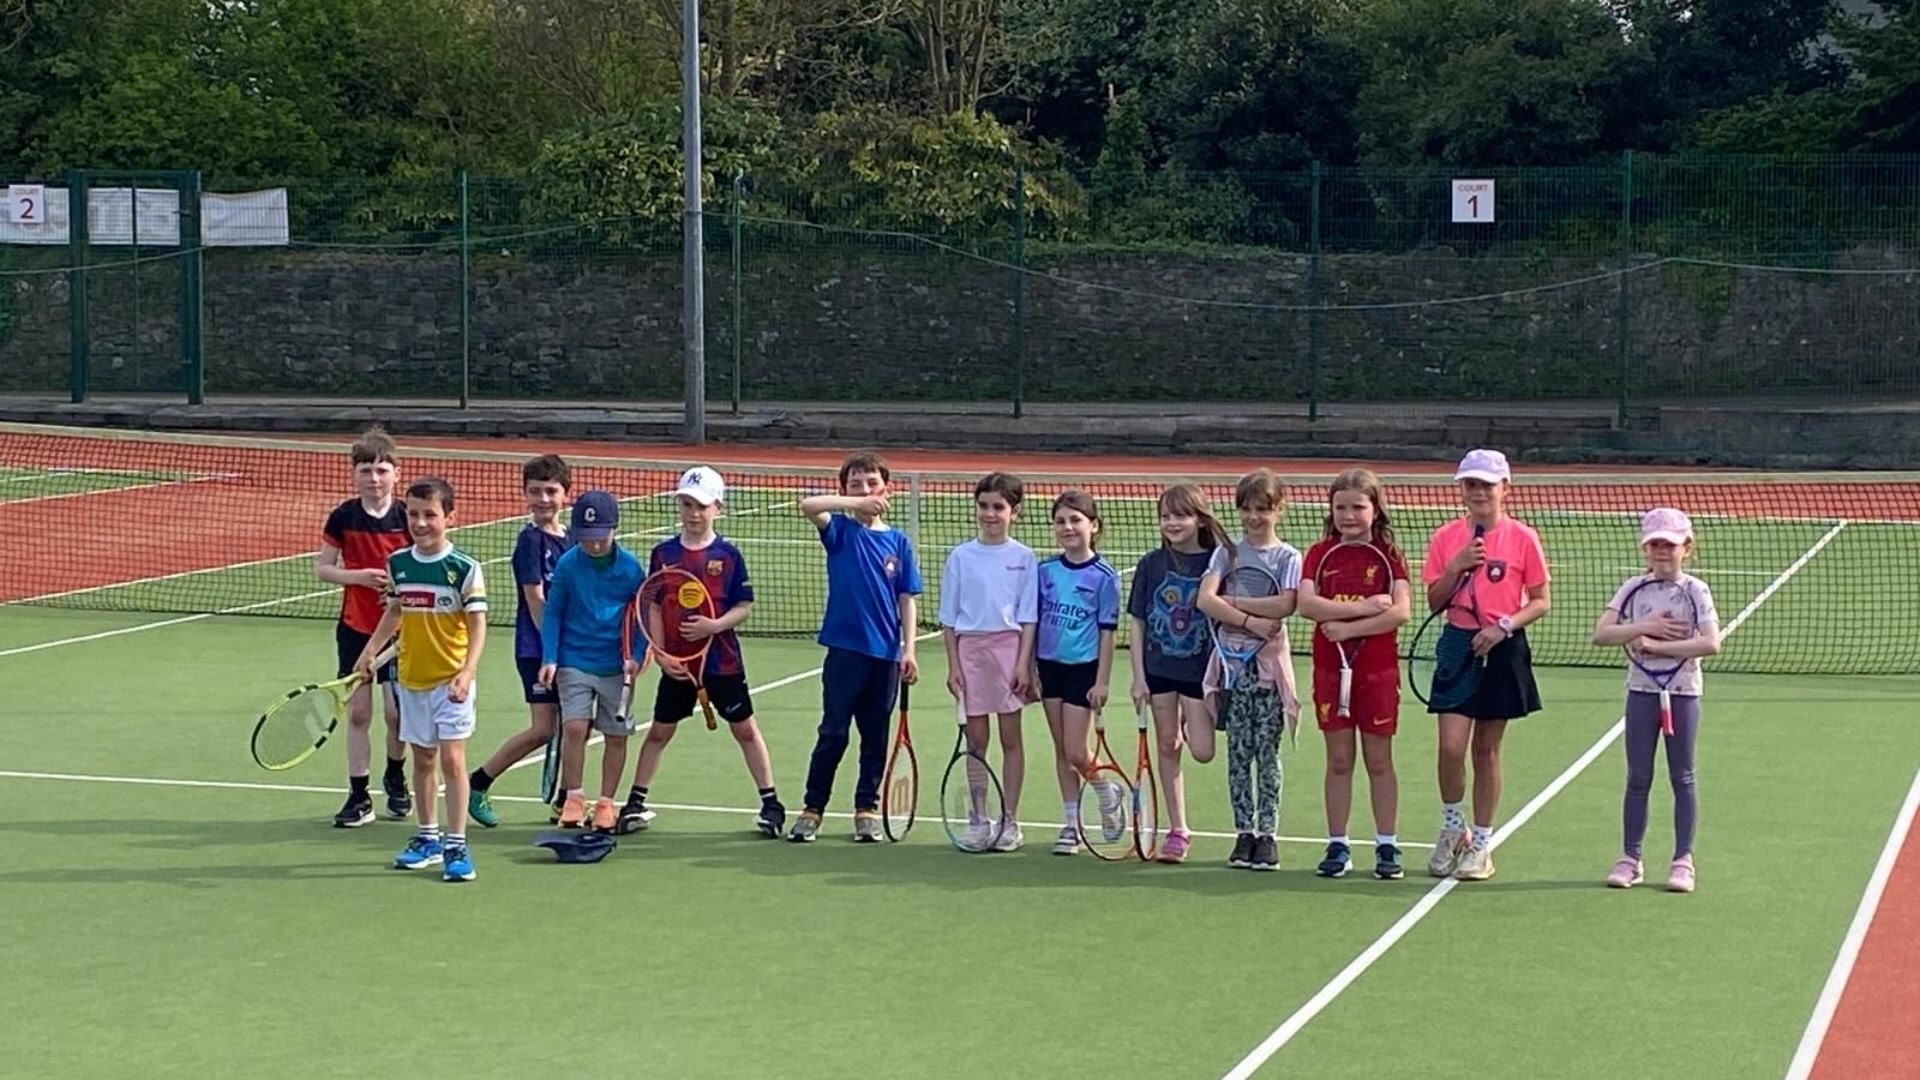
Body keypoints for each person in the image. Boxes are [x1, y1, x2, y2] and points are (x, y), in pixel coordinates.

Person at [619, 467, 787, 838]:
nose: (693, 513)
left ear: (718, 509)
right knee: (660, 731)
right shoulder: (663, 553)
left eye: (701, 506)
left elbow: (743, 606)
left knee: (744, 730)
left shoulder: (727, 556)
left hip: (722, 661)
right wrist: (661, 653)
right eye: (686, 504)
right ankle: (635, 802)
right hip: (678, 665)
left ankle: (771, 803)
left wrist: (714, 626)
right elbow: (654, 604)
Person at [1420, 448, 1551, 882]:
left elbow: (1540, 601)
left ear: (1505, 489)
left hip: (1502, 646)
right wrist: (1456, 567)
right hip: (1458, 643)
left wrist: (1504, 627)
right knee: (1450, 748)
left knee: (1486, 751)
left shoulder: (1523, 538)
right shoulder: (1444, 539)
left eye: (1486, 485)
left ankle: (1481, 841)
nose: (1478, 492)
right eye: (1470, 484)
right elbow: (1434, 601)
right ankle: (1452, 828)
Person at [356, 477, 488, 882]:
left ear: (450, 517)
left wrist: (467, 672)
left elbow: (478, 625)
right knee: (423, 759)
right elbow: (395, 612)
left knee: (452, 759)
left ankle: (457, 843)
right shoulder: (399, 564)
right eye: (413, 514)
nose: (421, 522)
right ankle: (427, 837)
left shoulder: (464, 569)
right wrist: (370, 652)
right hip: (411, 679)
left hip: (451, 682)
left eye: (430, 515)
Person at [790, 452, 923, 843]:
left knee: (875, 736)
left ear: (888, 490)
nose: (865, 491)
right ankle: (812, 810)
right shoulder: (840, 532)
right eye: (855, 484)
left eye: (872, 484)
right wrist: (855, 505)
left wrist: (909, 649)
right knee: (833, 732)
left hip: (885, 657)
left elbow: (907, 599)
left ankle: (866, 809)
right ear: (844, 490)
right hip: (844, 652)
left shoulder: (898, 542)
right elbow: (808, 505)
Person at [1592, 508, 1721, 894]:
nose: (1662, 551)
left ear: (1687, 548)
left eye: (1670, 544)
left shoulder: (1696, 590)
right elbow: (1602, 634)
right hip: (1641, 693)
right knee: (1638, 777)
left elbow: (1710, 642)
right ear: (1645, 549)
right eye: (1655, 545)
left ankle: (1683, 860)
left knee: (1682, 776)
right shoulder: (1633, 588)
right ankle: (1630, 858)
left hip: (1682, 694)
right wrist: (1644, 628)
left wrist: (1655, 646)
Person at [1297, 469, 1413, 880]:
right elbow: (1308, 605)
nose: (1348, 515)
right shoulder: (1319, 553)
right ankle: (1338, 843)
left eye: (1358, 507)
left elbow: (1400, 611)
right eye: (1340, 507)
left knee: (1379, 760)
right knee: (1339, 760)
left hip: (1378, 672)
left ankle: (1386, 843)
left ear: (1375, 509)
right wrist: (1365, 608)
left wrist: (1348, 628)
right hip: (1331, 671)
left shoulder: (1388, 554)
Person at [1194, 469, 1301, 872]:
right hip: (1231, 669)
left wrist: (1234, 605)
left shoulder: (1289, 557)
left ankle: (1268, 836)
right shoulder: (1227, 553)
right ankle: (1243, 834)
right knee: (1238, 754)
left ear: (1279, 510)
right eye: (1247, 509)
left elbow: (1286, 605)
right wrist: (1252, 621)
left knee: (1266, 754)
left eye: (1263, 509)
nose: (1254, 517)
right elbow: (1206, 600)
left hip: (1270, 671)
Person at [468, 454, 573, 827]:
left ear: (566, 495)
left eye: (551, 491)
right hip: (538, 650)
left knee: (578, 725)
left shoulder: (575, 541)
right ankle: (478, 783)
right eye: (535, 492)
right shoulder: (530, 542)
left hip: (572, 648)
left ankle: (567, 800)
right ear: (525, 494)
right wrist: (553, 650)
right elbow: (536, 601)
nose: (543, 499)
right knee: (545, 728)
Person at [315, 425, 412, 828]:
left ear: (396, 473)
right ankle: (358, 796)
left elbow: (427, 565)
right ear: (353, 474)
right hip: (354, 628)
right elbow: (323, 569)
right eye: (366, 470)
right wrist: (359, 577)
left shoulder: (409, 515)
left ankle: (395, 774)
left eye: (382, 470)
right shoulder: (343, 516)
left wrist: (397, 587)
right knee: (358, 713)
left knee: (395, 715)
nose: (374, 478)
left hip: (401, 631)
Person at [1127, 482, 1228, 864]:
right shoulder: (1151, 565)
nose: (1172, 523)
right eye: (1166, 516)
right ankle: (1178, 830)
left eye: (1181, 515)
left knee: (1202, 751)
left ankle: (1189, 724)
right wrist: (1138, 676)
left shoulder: (1218, 562)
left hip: (1201, 675)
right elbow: (1137, 622)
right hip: (1159, 670)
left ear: (1199, 518)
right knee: (1167, 746)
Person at [939, 472, 1039, 852]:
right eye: (984, 506)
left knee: (1011, 739)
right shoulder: (961, 556)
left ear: (1015, 511)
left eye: (998, 507)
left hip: (1010, 652)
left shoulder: (1024, 557)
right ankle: (979, 819)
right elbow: (949, 619)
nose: (990, 514)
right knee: (976, 742)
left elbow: (1028, 616)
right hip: (970, 654)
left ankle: (1010, 821)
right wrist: (954, 666)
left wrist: (1022, 664)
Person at [539, 491, 647, 832]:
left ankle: (605, 803)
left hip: (616, 663)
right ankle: (574, 797)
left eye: (600, 537)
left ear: (614, 530)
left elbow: (643, 615)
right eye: (587, 538)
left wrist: (638, 655)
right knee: (574, 726)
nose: (594, 545)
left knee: (616, 736)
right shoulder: (569, 564)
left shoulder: (631, 568)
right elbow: (554, 613)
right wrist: (550, 657)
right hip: (574, 658)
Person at [1034, 490, 1122, 856]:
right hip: (1048, 666)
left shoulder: (1104, 577)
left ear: (1093, 526)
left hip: (1082, 670)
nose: (1067, 527)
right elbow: (1033, 622)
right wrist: (1029, 667)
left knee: (1075, 749)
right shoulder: (1044, 572)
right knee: (1060, 748)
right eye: (1060, 521)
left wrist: (1102, 679)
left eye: (1076, 520)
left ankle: (1105, 791)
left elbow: (1107, 632)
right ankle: (1071, 823)